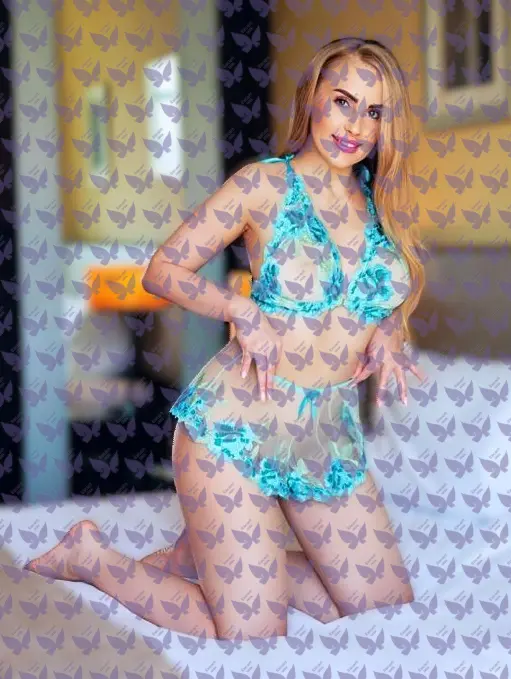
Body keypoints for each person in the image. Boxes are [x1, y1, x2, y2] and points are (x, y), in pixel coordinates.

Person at [25, 37, 425, 641]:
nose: (355, 126)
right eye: (343, 101)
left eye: (373, 112)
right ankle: (93, 557)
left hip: (327, 436)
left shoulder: (380, 201)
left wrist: (387, 334)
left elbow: (382, 297)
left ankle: (210, 557)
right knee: (253, 634)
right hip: (235, 428)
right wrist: (239, 308)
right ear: (312, 97)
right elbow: (163, 270)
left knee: (386, 612)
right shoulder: (263, 184)